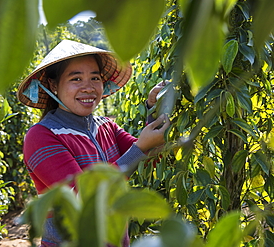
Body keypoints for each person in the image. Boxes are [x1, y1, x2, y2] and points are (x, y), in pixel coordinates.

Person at [17, 39, 170, 247]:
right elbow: (84, 200)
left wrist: (154, 108)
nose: (88, 88)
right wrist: (139, 148)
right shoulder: (41, 136)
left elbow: (149, 159)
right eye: (76, 79)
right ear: (53, 85)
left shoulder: (106, 126)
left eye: (95, 78)